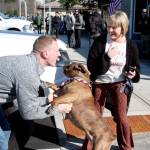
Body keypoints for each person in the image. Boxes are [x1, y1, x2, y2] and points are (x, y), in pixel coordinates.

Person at [0, 35, 72, 149]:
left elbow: (24, 101)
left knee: (5, 131)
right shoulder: (28, 73)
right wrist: (59, 109)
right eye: (57, 51)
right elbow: (28, 113)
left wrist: (47, 100)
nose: (59, 54)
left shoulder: (29, 64)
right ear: (45, 54)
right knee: (2, 140)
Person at [83, 11, 140, 150]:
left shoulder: (130, 45)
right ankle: (90, 147)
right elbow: (91, 65)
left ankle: (126, 146)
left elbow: (136, 66)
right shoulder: (100, 41)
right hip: (100, 83)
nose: (110, 30)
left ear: (123, 27)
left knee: (122, 116)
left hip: (119, 84)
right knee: (95, 117)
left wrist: (133, 73)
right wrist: (107, 57)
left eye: (114, 27)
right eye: (109, 26)